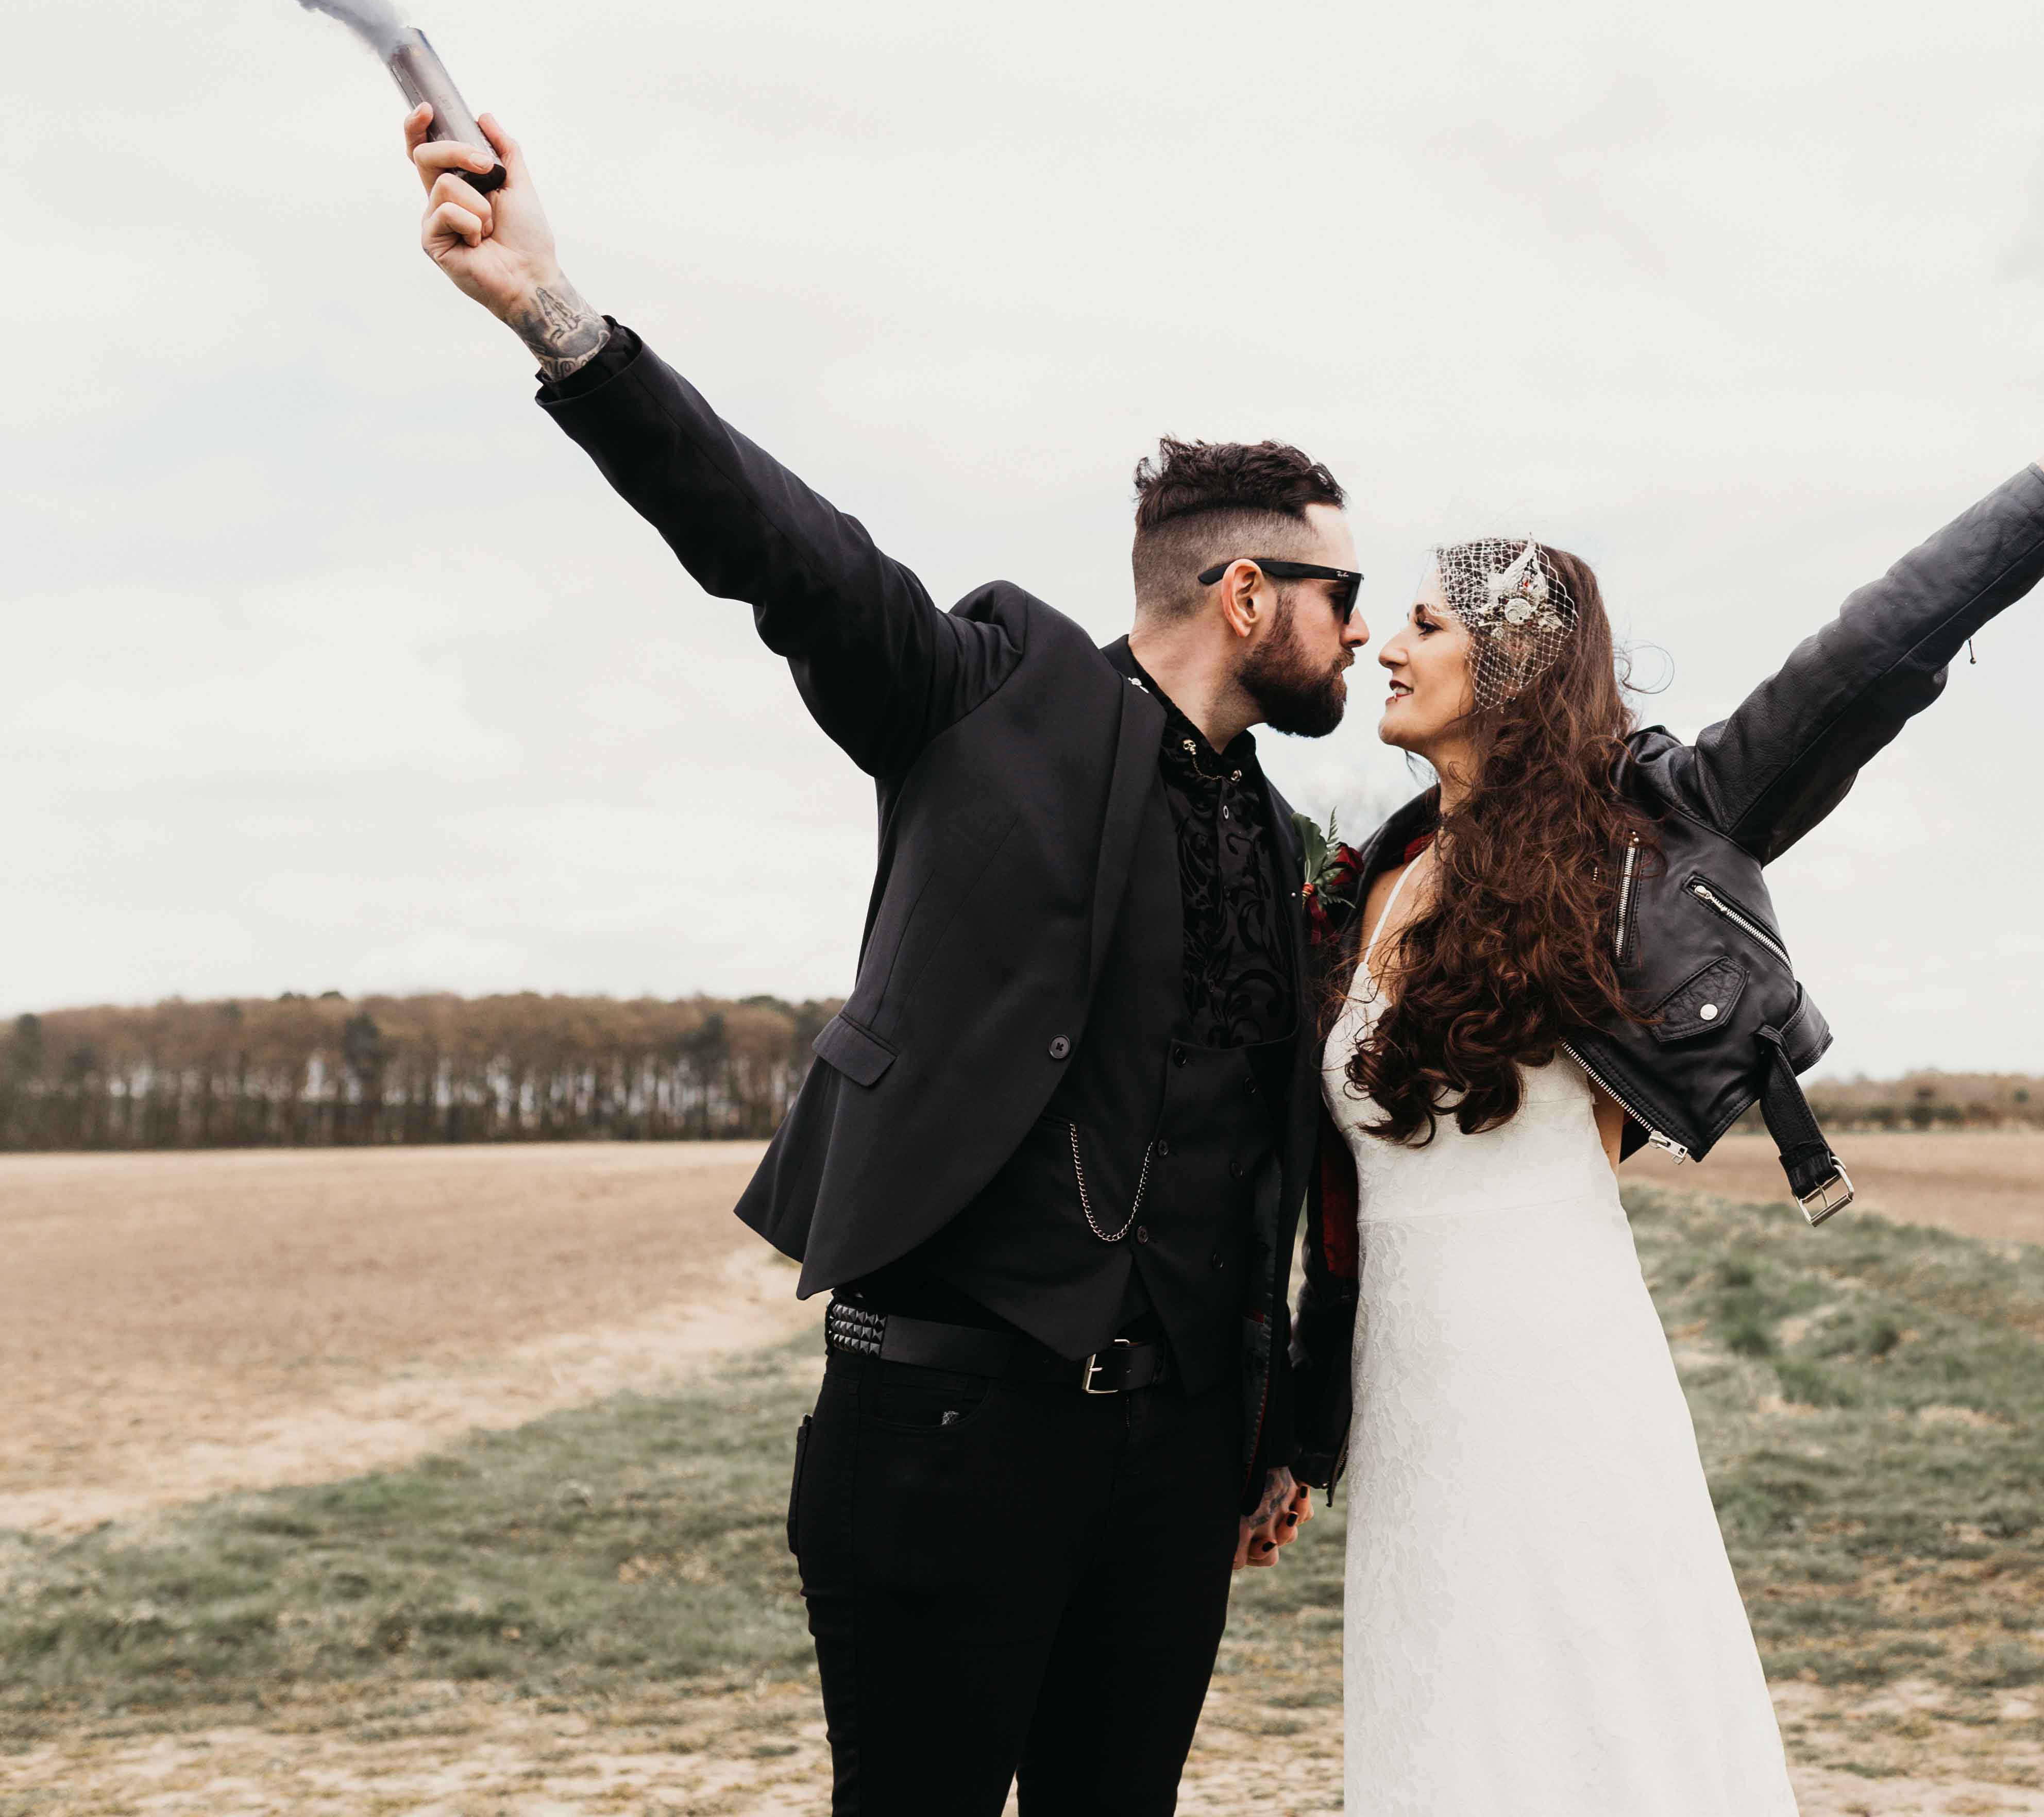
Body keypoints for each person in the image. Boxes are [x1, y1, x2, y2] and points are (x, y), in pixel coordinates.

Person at [401, 109, 1362, 1814]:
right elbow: (771, 540)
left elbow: (1262, 1156)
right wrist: (550, 309)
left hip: (1172, 1474)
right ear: (1241, 593)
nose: (1360, 627)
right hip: (948, 1439)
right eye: (1341, 592)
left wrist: (1270, 1429)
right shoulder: (982, 695)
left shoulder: (1279, 836)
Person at [1291, 393, 2044, 1812]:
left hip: (1552, 1357)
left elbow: (1859, 666)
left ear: (1514, 666)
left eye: (1427, 623)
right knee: (1440, 1692)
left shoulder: (1647, 838)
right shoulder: (1373, 878)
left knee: (1590, 1692)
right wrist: (1294, 1427)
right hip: (1406, 1377)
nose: (1385, 646)